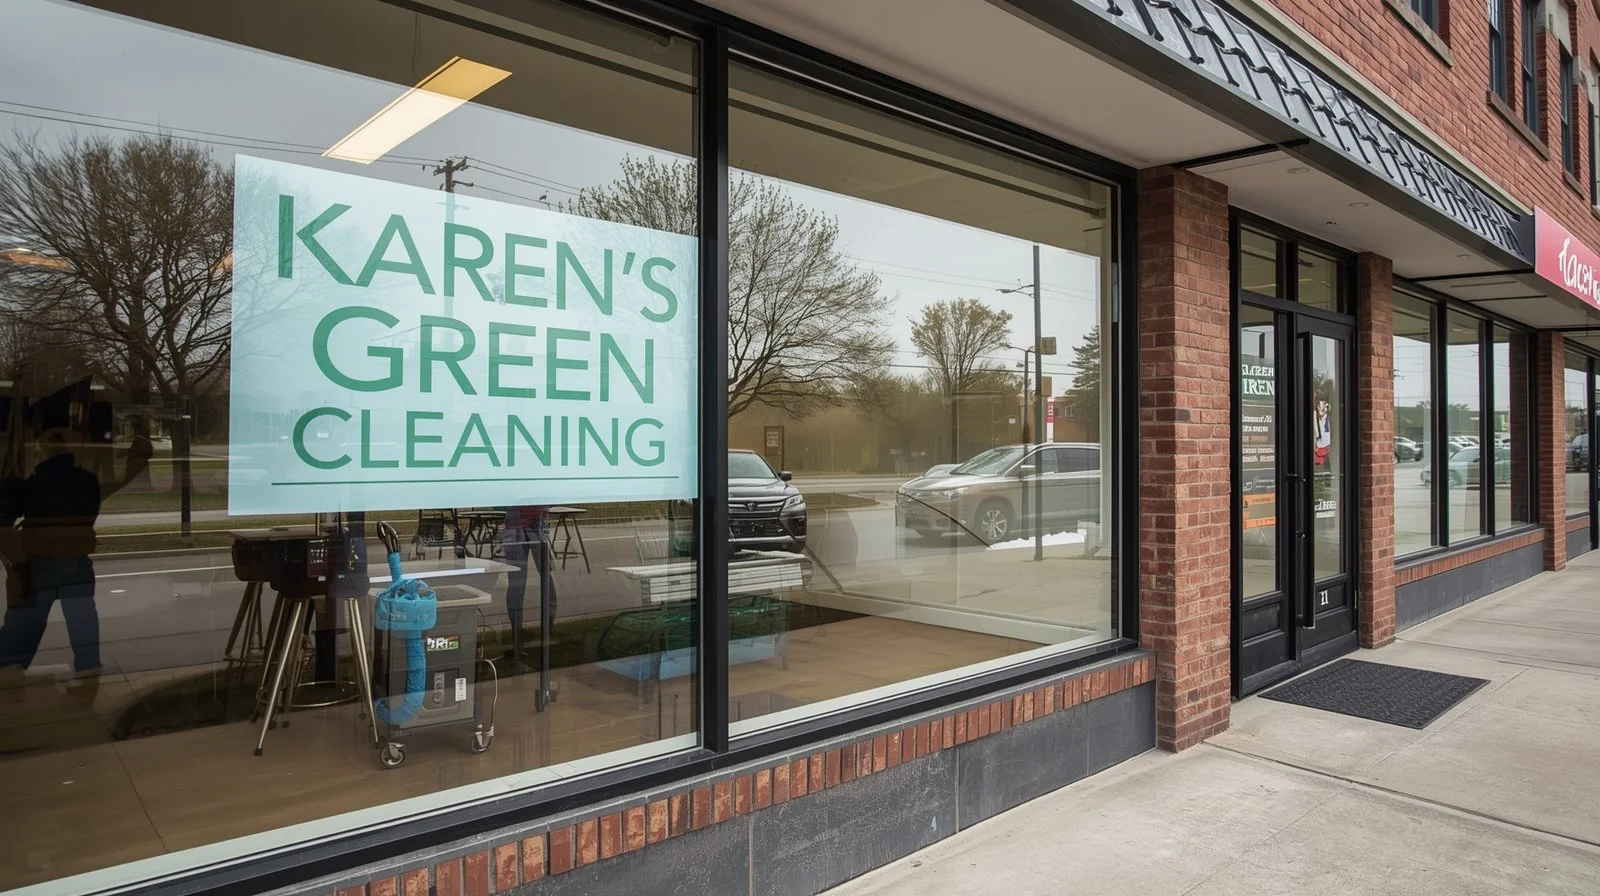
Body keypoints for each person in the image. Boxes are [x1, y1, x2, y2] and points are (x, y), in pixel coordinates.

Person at [0, 395, 149, 700]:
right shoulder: (82, 479)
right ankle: (85, 674)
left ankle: (12, 677)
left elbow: (4, 520)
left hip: (40, 561)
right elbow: (107, 487)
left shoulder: (34, 476)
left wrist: (19, 566)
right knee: (80, 620)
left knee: (25, 624)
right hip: (71, 560)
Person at [501, 504, 557, 669]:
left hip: (534, 524)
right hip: (520, 526)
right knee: (519, 585)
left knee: (542, 580)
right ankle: (519, 645)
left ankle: (542, 641)